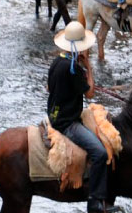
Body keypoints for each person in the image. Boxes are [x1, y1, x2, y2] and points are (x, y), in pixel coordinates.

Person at [47, 21, 109, 213]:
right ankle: (95, 201)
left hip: (54, 114)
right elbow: (90, 94)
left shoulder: (57, 62)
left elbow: (49, 88)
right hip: (67, 122)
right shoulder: (75, 69)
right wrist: (88, 67)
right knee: (100, 153)